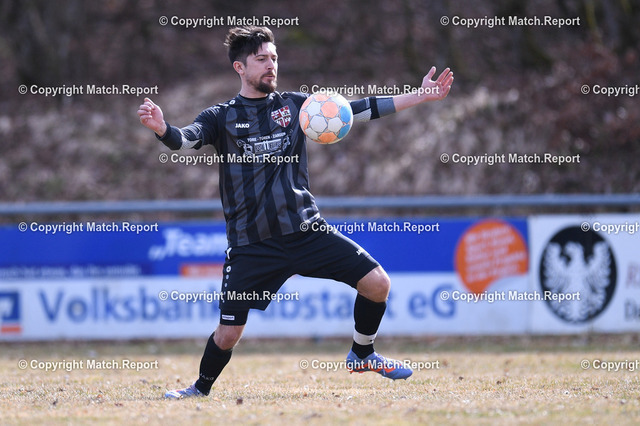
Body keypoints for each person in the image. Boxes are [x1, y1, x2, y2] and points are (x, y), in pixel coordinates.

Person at [137, 26, 453, 399]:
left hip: (306, 231)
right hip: (252, 244)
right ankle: (199, 389)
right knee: (228, 333)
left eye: (274, 57)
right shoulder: (221, 117)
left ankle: (362, 353)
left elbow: (357, 109)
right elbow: (186, 139)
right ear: (240, 67)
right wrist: (163, 129)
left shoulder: (297, 107)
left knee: (377, 283)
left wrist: (420, 95)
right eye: (261, 59)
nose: (271, 65)